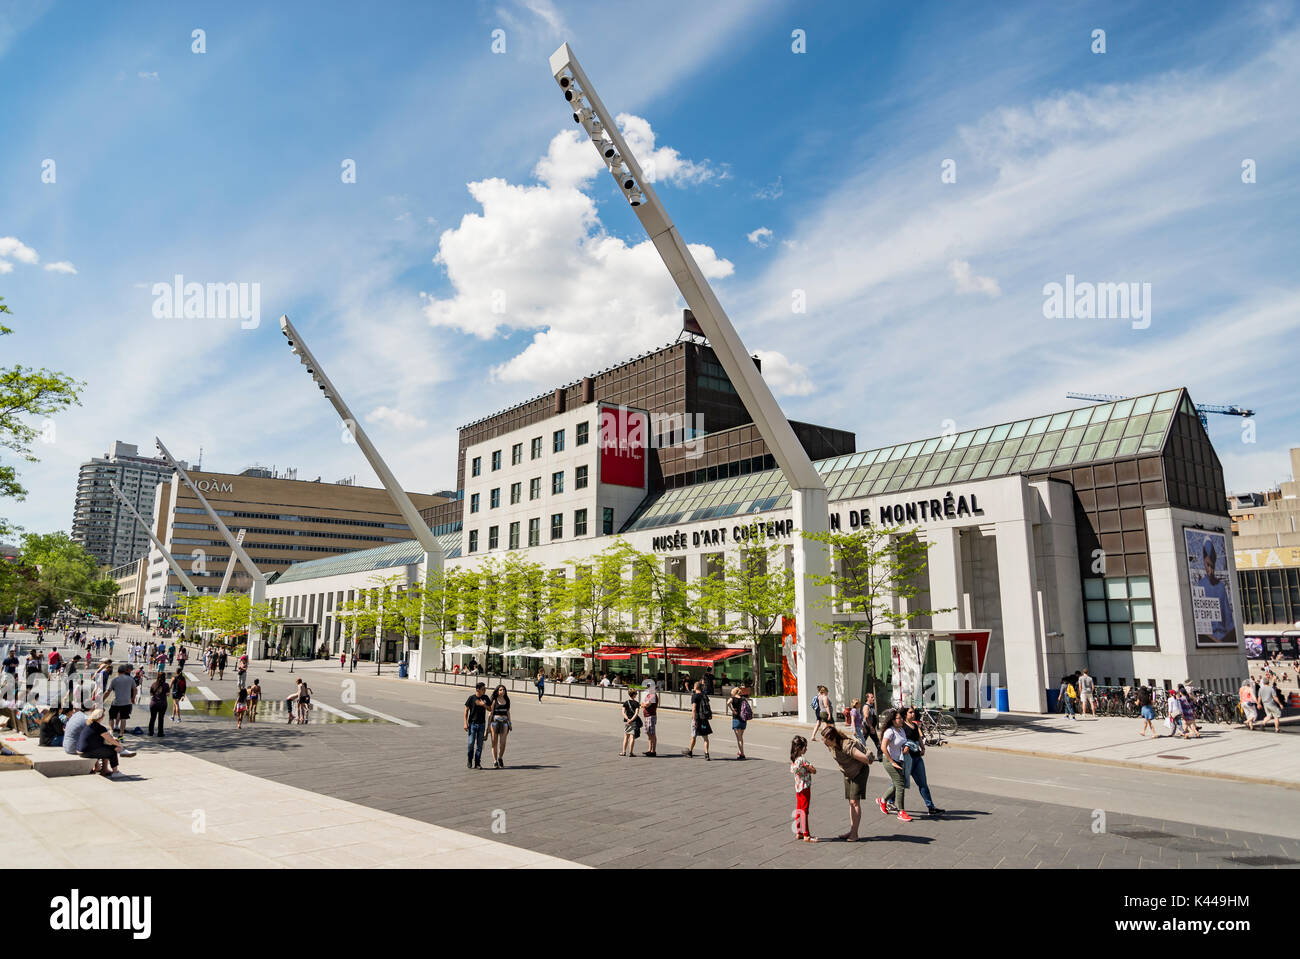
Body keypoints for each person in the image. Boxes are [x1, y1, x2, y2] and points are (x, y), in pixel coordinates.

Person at [818, 724, 875, 840]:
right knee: (851, 802)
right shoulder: (832, 745)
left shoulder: (846, 745)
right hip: (848, 774)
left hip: (859, 772)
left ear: (832, 738)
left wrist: (869, 758)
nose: (824, 743)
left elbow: (866, 760)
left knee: (855, 802)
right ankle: (852, 830)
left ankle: (855, 834)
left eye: (825, 740)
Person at [902, 705, 945, 816]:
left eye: (913, 712)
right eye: (910, 712)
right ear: (905, 714)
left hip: (917, 757)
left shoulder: (915, 725)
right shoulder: (901, 726)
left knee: (923, 784)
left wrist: (923, 747)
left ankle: (930, 807)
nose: (913, 714)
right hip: (908, 758)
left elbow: (919, 737)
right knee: (900, 782)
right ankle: (888, 801)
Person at [77, 707, 134, 777]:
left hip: (80, 750)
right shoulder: (100, 727)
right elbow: (110, 740)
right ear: (101, 717)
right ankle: (116, 772)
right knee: (112, 751)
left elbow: (106, 739)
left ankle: (105, 769)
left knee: (109, 747)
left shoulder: (89, 724)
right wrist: (120, 745)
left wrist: (114, 742)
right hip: (86, 752)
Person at [878, 708, 912, 821]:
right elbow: (883, 747)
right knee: (900, 784)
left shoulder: (901, 729)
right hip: (889, 761)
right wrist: (892, 762)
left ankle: (883, 800)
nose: (901, 720)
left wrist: (906, 746)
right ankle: (901, 812)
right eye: (899, 718)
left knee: (897, 784)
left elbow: (903, 741)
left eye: (902, 718)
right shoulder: (890, 731)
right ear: (893, 720)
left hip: (899, 760)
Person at [790, 735, 818, 842]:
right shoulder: (802, 759)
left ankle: (799, 832)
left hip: (798, 787)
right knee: (805, 810)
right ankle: (806, 834)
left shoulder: (794, 759)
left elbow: (793, 770)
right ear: (800, 748)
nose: (806, 749)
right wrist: (808, 767)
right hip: (805, 787)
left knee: (799, 809)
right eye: (805, 747)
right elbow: (814, 770)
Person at [463, 681, 490, 769]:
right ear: (478, 689)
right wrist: (465, 723)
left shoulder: (485, 698)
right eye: (483, 689)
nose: (485, 690)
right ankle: (469, 759)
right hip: (472, 724)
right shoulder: (471, 698)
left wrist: (483, 705)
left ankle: (477, 762)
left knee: (479, 745)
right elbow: (466, 711)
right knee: (471, 743)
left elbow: (490, 709)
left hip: (482, 724)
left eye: (485, 688)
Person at [106, 663, 137, 738]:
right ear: (125, 671)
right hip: (126, 702)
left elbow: (108, 691)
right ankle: (121, 735)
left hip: (116, 702)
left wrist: (102, 699)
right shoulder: (130, 679)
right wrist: (133, 698)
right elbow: (135, 689)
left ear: (118, 671)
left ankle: (111, 732)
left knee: (111, 717)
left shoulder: (115, 680)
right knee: (123, 718)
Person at [684, 680, 712, 759]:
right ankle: (706, 754)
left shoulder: (694, 696)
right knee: (705, 737)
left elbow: (693, 709)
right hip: (704, 719)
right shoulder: (704, 695)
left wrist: (694, 719)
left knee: (693, 736)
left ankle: (690, 752)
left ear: (695, 687)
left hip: (697, 718)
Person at [487, 684, 512, 768]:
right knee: (494, 742)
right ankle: (495, 761)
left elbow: (508, 712)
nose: (502, 691)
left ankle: (500, 757)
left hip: (504, 723)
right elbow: (490, 713)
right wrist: (488, 727)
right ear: (497, 691)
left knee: (503, 743)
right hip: (495, 723)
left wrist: (510, 723)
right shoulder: (494, 700)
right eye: (501, 690)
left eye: (504, 690)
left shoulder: (507, 700)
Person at [729, 685, 750, 760]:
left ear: (734, 692)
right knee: (741, 737)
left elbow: (728, 703)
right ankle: (740, 752)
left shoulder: (733, 698)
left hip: (736, 720)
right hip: (743, 720)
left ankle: (742, 754)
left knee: (739, 738)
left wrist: (732, 710)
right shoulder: (743, 699)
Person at [620, 688, 641, 757]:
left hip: (627, 722)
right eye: (636, 694)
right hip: (633, 721)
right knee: (632, 737)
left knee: (626, 737)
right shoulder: (636, 703)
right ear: (634, 695)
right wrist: (631, 720)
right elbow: (636, 713)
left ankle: (623, 752)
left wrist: (627, 719)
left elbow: (623, 712)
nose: (636, 695)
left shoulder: (626, 702)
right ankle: (631, 752)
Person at [641, 679, 659, 757]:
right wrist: (643, 704)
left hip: (651, 716)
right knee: (648, 733)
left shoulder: (653, 695)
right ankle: (649, 749)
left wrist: (643, 704)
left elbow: (646, 705)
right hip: (647, 715)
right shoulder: (649, 695)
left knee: (652, 733)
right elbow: (642, 703)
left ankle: (653, 751)